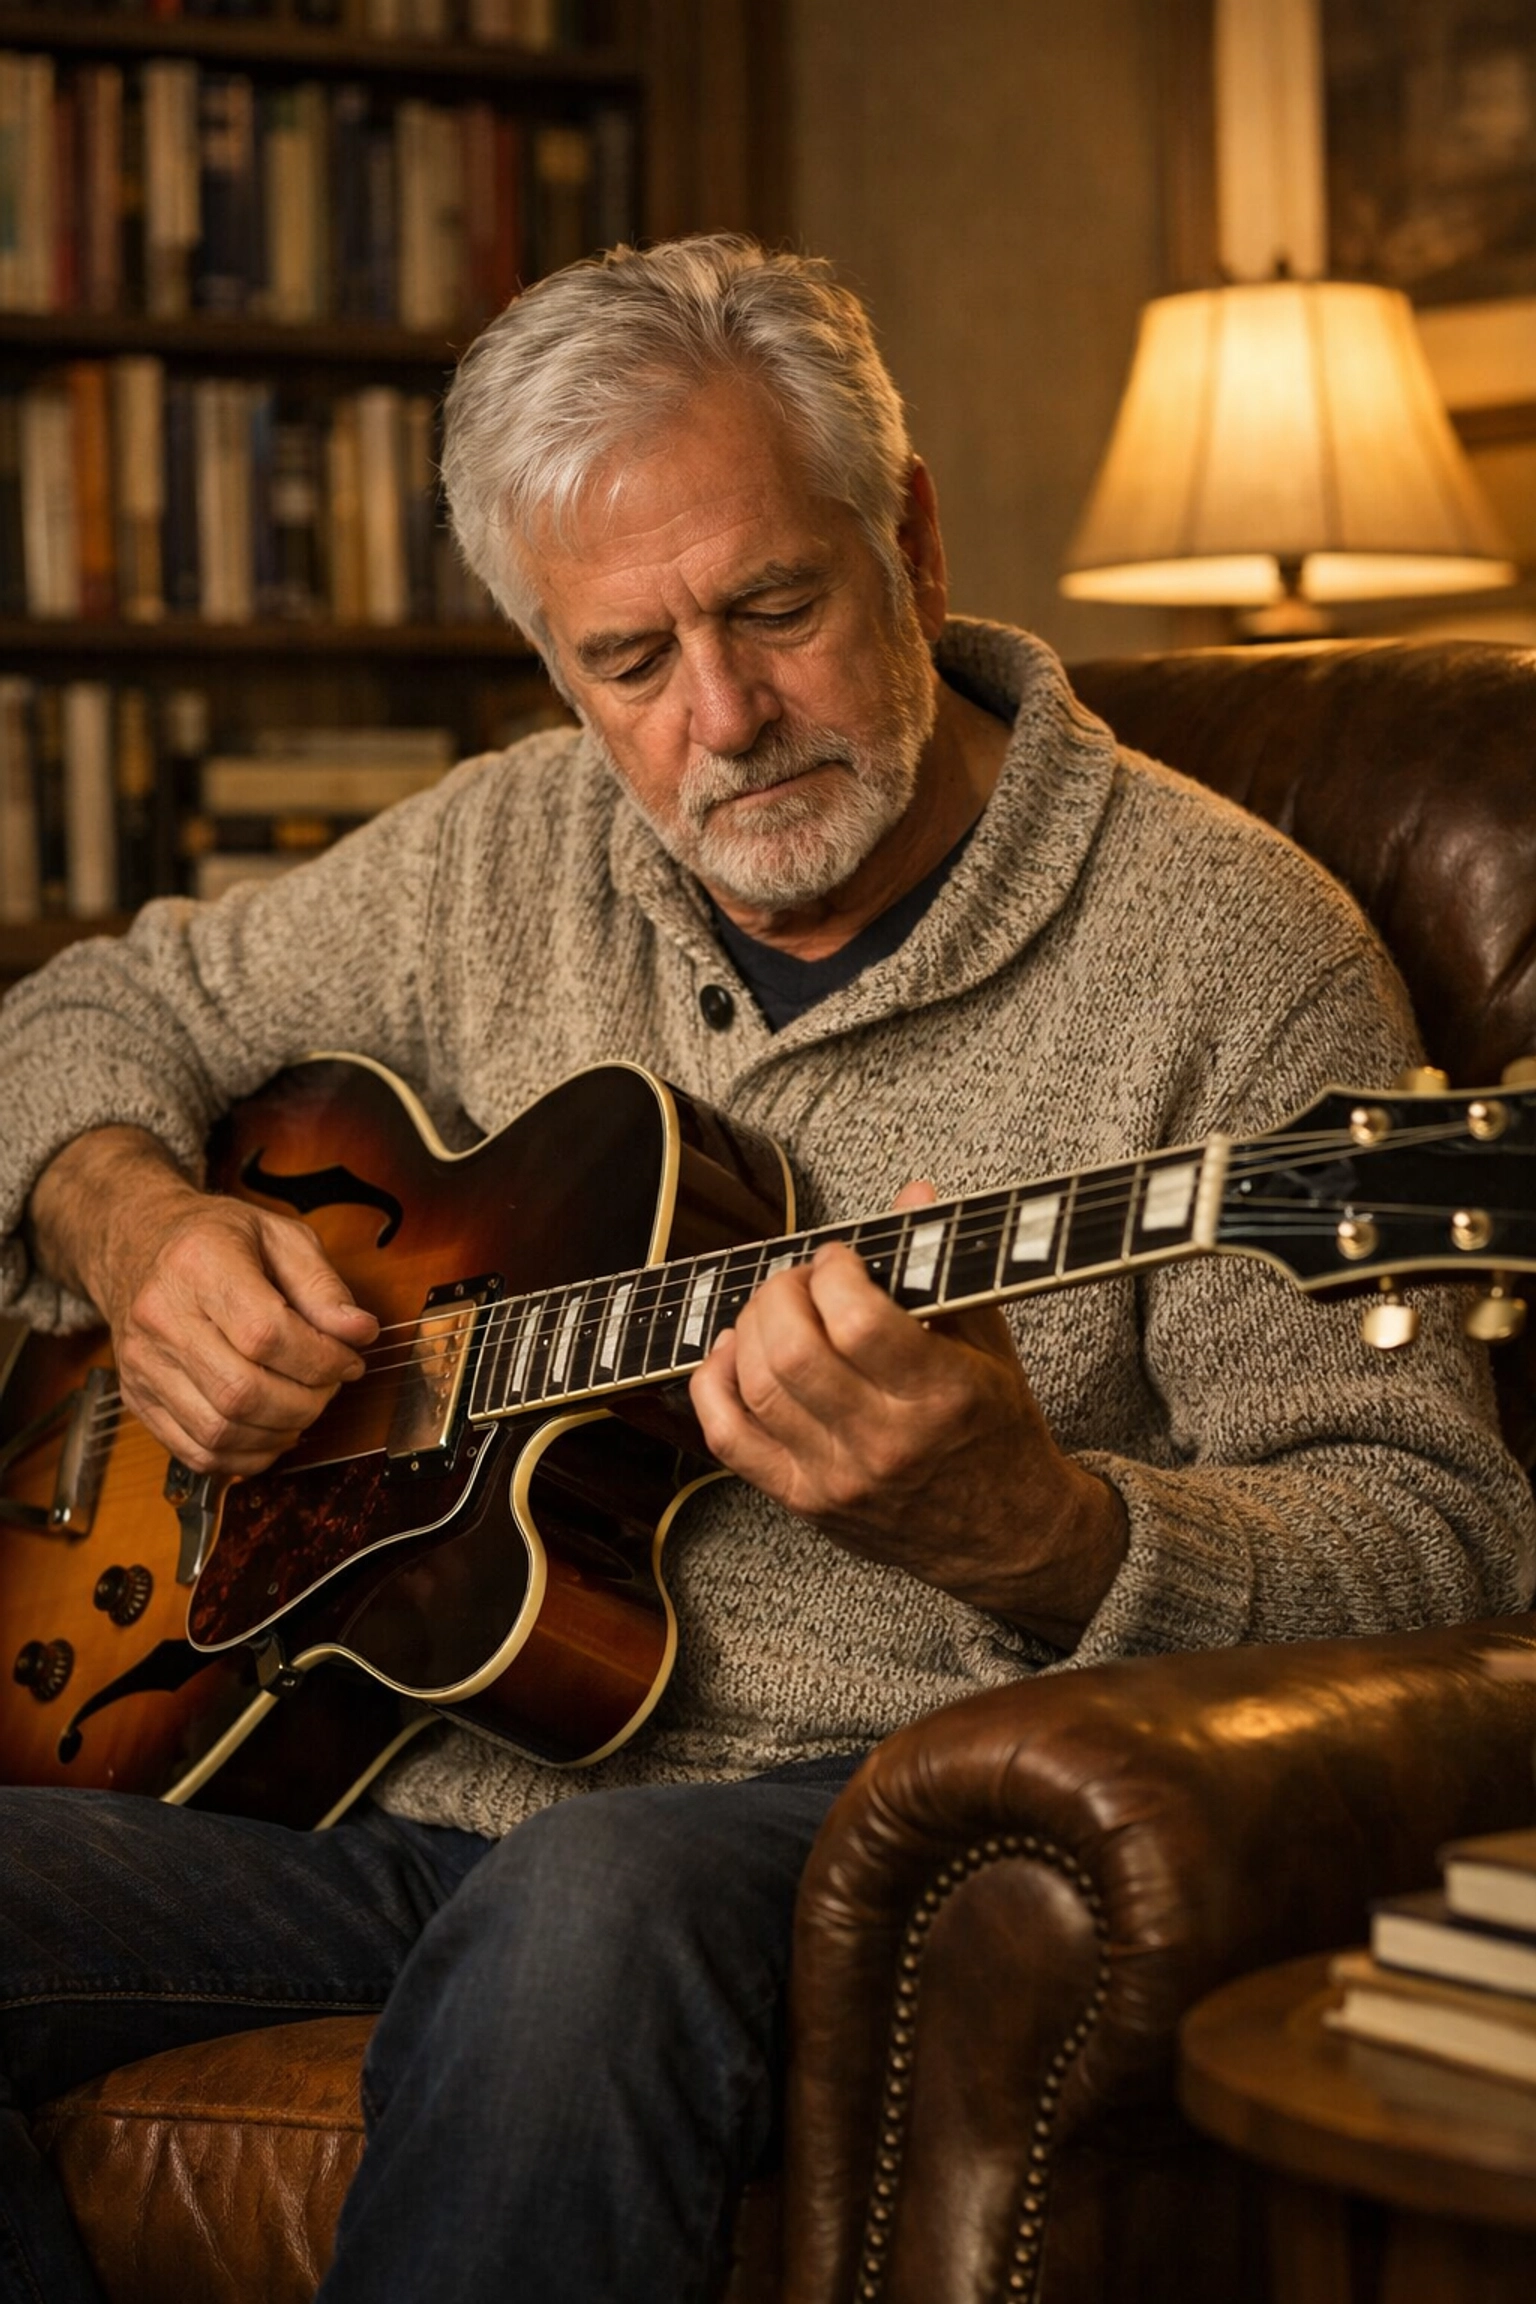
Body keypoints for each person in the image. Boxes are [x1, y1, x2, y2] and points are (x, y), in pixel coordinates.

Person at [0, 235, 1531, 2304]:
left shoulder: (1231, 955)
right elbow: (86, 1016)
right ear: (550, 663)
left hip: (833, 1834)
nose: (720, 717)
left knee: (585, 1911)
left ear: (905, 532)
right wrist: (140, 1222)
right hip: (367, 1789)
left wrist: (1047, 1533)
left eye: (776, 608)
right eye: (627, 662)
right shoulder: (496, 857)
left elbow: (1437, 1540)